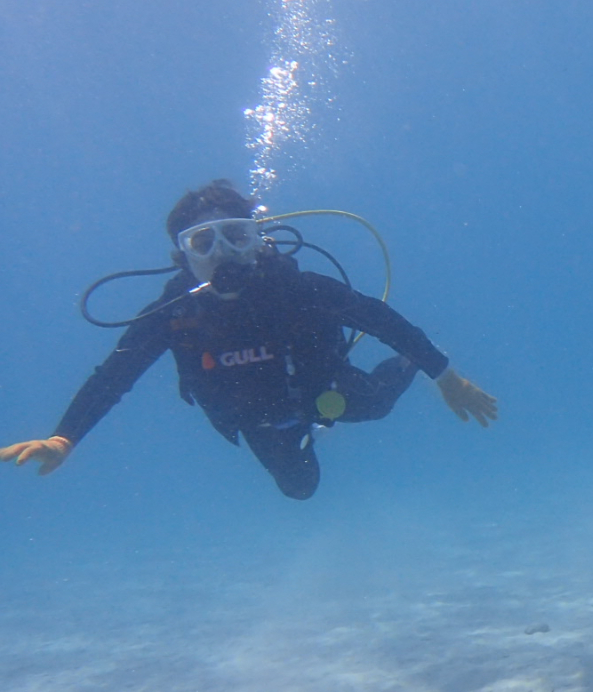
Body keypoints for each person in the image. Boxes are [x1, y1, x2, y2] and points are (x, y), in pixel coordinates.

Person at [1, 180, 497, 499]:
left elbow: (382, 319)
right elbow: (115, 376)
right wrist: (66, 436)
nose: (223, 253)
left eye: (236, 235)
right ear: (184, 256)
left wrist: (442, 374)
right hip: (253, 419)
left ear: (258, 238)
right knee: (300, 489)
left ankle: (406, 370)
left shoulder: (298, 290)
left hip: (325, 390)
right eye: (202, 242)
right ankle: (303, 435)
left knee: (380, 404)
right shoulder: (175, 313)